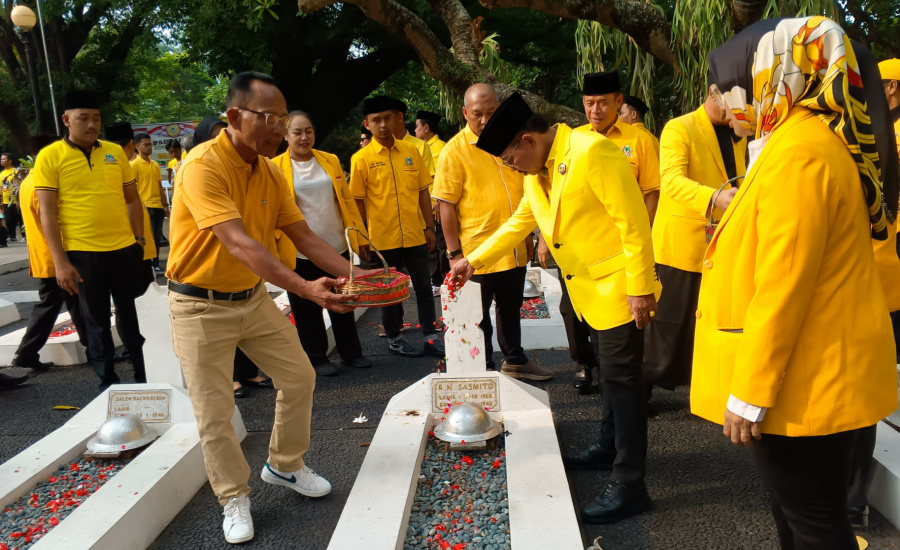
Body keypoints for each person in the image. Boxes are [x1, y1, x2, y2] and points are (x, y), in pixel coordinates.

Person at [694, 17, 898, 550]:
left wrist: (750, 391)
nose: (727, 105)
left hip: (806, 381)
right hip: (810, 372)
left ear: (770, 77)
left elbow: (784, 283)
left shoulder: (798, 153)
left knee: (813, 525)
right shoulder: (797, 141)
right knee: (801, 518)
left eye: (732, 89)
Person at [166, 72, 374, 544]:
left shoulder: (269, 171)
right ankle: (233, 496)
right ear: (235, 116)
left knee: (299, 377)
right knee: (215, 411)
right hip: (199, 306)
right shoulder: (202, 166)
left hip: (252, 298)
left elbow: (303, 236)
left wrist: (359, 275)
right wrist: (305, 288)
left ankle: (284, 464)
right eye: (270, 119)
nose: (280, 130)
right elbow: (240, 244)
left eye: (283, 119)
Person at [450, 92, 660, 523]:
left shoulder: (592, 150)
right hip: (587, 292)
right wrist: (473, 260)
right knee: (609, 375)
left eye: (510, 159)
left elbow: (634, 222)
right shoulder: (538, 170)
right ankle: (608, 447)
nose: (511, 167)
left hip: (620, 289)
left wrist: (640, 288)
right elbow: (521, 221)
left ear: (528, 140)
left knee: (624, 385)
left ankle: (630, 484)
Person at [433, 84, 551, 380]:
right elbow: (446, 205)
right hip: (475, 250)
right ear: (464, 113)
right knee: (477, 315)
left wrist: (534, 235)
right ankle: (482, 368)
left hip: (514, 244)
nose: (485, 120)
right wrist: (454, 253)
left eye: (490, 112)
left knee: (511, 308)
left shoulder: (513, 140)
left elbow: (529, 191)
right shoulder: (454, 151)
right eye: (477, 114)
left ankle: (515, 360)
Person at [33, 92, 147, 390]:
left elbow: (132, 199)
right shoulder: (50, 156)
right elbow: (47, 213)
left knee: (134, 315)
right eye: (83, 118)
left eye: (96, 118)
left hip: (125, 249)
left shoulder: (114, 152)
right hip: (83, 253)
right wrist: (60, 262)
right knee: (95, 320)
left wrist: (139, 239)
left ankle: (144, 373)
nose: (91, 124)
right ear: (66, 120)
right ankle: (107, 380)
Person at [642, 85, 747, 394]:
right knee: (667, 328)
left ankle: (704, 389)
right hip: (682, 247)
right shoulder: (680, 128)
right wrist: (714, 197)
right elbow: (672, 181)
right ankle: (638, 393)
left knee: (709, 325)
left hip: (724, 244)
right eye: (733, 104)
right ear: (714, 93)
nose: (737, 111)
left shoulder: (741, 132)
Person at [272, 110, 372, 376]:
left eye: (308, 131)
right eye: (297, 132)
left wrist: (359, 237)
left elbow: (346, 200)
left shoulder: (330, 160)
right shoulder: (275, 167)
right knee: (306, 307)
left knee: (345, 300)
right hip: (298, 250)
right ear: (285, 136)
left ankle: (352, 353)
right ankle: (316, 358)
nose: (304, 137)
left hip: (336, 244)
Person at [350, 96, 443, 358]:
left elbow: (423, 192)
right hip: (382, 238)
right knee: (388, 293)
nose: (382, 125)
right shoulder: (361, 159)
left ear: (396, 119)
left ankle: (431, 336)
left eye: (387, 118)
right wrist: (362, 238)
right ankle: (394, 337)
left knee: (424, 288)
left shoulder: (412, 151)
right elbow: (357, 202)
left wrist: (429, 227)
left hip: (414, 233)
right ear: (367, 124)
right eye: (376, 120)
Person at [11, 134, 88, 373]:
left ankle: (94, 348)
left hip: (47, 255)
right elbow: (52, 221)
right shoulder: (41, 183)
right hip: (57, 256)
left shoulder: (29, 180)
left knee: (70, 302)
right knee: (61, 303)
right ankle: (26, 353)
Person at [576, 72, 660, 223]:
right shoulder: (574, 139)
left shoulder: (640, 140)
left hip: (625, 232)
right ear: (583, 102)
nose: (595, 110)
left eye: (603, 103)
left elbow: (652, 192)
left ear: (619, 101)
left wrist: (644, 231)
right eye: (590, 103)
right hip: (583, 231)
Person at [132, 133, 170, 272]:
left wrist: (165, 205)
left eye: (150, 144)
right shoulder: (134, 165)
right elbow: (132, 189)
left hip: (157, 205)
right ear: (137, 146)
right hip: (145, 206)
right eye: (146, 144)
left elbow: (159, 186)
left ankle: (155, 262)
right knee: (149, 236)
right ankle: (148, 264)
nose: (149, 147)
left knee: (158, 236)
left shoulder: (154, 164)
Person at [2, 153, 22, 242]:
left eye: (4, 159)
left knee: (20, 217)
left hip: (16, 199)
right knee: (8, 219)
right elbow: (1, 188)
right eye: (1, 159)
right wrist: (1, 201)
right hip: (6, 200)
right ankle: (11, 236)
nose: (1, 161)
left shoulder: (16, 171)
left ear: (10, 161)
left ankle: (24, 235)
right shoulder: (2, 174)